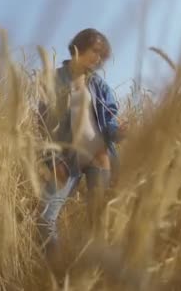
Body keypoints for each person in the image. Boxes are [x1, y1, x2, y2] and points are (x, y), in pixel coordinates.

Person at [36, 28, 126, 270]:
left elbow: (109, 124)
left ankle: (93, 278)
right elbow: (44, 123)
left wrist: (118, 132)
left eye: (102, 55)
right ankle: (56, 277)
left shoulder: (99, 85)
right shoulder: (53, 79)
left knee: (96, 223)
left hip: (99, 157)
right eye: (95, 51)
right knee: (45, 220)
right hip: (67, 159)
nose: (98, 59)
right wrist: (52, 158)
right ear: (79, 46)